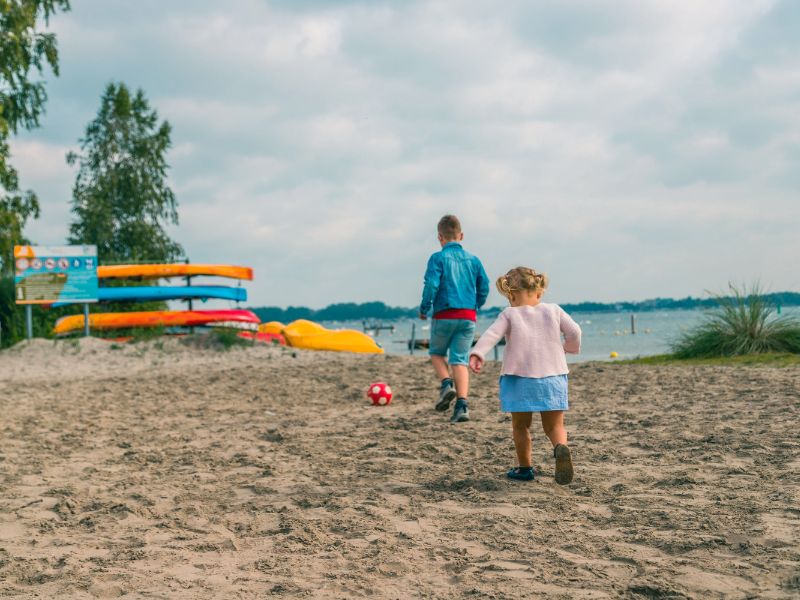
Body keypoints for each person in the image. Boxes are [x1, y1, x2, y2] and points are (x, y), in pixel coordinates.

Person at [469, 267, 581, 483]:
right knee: (555, 426)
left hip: (519, 378)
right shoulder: (554, 310)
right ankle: (560, 448)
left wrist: (478, 353)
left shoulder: (509, 313)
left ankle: (525, 468)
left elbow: (492, 334)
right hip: (553, 376)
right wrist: (570, 347)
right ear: (538, 292)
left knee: (520, 425)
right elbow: (574, 331)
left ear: (511, 295)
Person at [419, 215, 489, 423]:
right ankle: (462, 406)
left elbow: (431, 285)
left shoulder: (437, 258)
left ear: (440, 237)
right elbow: (484, 286)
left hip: (444, 314)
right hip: (468, 315)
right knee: (459, 359)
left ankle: (446, 384)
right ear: (461, 235)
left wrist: (425, 308)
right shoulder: (474, 260)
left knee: (436, 353)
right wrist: (476, 305)